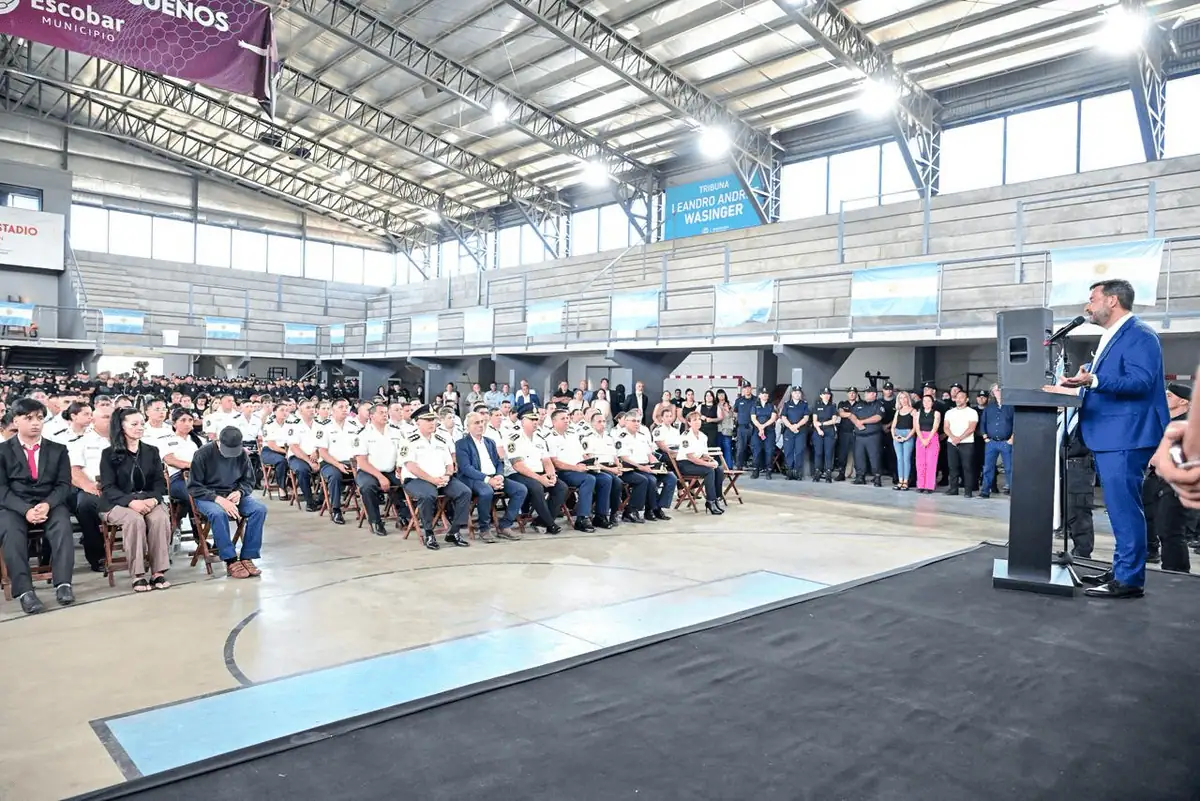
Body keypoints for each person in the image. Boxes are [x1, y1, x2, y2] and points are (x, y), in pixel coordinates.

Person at [1043, 279, 1168, 598]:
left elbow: (1140, 382)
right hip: (1112, 434)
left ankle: (1129, 580)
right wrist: (1077, 386)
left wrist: (1094, 379)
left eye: (1092, 299)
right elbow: (1108, 384)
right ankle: (1123, 568)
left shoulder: (1140, 335)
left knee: (1124, 508)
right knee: (1118, 507)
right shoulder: (1114, 335)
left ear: (1112, 301)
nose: (1088, 306)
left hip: (1126, 434)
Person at [0, 397, 75, 614]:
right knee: (10, 531)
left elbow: (64, 485)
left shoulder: (58, 450)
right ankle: (25, 592)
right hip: (15, 506)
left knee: (63, 525)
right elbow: (1, 489)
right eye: (29, 418)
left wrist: (47, 504)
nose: (35, 423)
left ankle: (63, 584)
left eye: (40, 418)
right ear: (15, 421)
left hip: (49, 502)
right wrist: (25, 510)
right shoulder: (3, 451)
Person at [99, 407, 172, 592]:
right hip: (118, 503)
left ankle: (158, 571)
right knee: (134, 520)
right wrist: (131, 502)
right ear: (122, 426)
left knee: (159, 518)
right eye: (134, 424)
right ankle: (138, 574)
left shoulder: (152, 451)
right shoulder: (108, 454)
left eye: (141, 423)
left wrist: (153, 500)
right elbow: (108, 488)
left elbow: (159, 483)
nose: (140, 427)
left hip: (148, 500)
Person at [188, 427, 267, 579]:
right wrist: (218, 499)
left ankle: (248, 556)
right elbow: (194, 487)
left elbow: (249, 481)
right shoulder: (202, 454)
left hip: (232, 493)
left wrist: (240, 492)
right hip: (207, 496)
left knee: (259, 510)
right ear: (218, 441)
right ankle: (230, 559)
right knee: (218, 513)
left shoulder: (242, 454)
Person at [399, 404, 472, 549]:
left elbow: (449, 463)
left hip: (441, 479)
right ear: (417, 422)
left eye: (433, 420)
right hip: (417, 480)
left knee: (464, 492)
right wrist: (432, 480)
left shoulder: (441, 438)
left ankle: (454, 531)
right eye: (428, 420)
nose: (432, 423)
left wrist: (448, 475)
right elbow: (411, 467)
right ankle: (428, 533)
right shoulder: (408, 440)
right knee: (428, 495)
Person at [454, 412, 526, 542]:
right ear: (468, 426)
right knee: (486, 491)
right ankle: (484, 529)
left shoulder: (490, 442)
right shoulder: (461, 444)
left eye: (482, 422)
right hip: (473, 478)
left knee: (520, 489)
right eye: (476, 423)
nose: (481, 425)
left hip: (494, 476)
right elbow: (466, 468)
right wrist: (488, 480)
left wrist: (499, 475)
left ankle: (505, 525)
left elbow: (498, 462)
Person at [1142, 382, 1192, 572]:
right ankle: (1151, 552)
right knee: (1149, 520)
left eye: (1169, 396)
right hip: (1155, 478)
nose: (1164, 397)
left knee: (1170, 529)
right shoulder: (1164, 421)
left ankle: (1176, 572)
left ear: (1183, 402)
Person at [543, 409, 598, 532]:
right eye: (563, 418)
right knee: (589, 480)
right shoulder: (550, 438)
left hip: (580, 468)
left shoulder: (572, 435)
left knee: (606, 479)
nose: (567, 420)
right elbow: (555, 462)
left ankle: (601, 515)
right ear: (554, 422)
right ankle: (582, 518)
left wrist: (591, 463)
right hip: (564, 472)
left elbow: (582, 454)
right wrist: (576, 468)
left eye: (568, 418)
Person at [355, 402, 402, 537]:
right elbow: (362, 462)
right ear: (371, 416)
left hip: (391, 470)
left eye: (386, 412)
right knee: (367, 487)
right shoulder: (363, 434)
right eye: (381, 413)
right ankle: (375, 521)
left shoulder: (395, 432)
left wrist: (400, 468)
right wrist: (380, 477)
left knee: (406, 483)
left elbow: (402, 453)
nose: (385, 415)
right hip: (369, 471)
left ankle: (404, 516)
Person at [677, 409, 725, 514]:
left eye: (699, 419)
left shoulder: (703, 436)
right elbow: (690, 457)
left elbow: (704, 454)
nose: (698, 422)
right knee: (709, 471)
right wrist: (708, 464)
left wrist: (712, 460)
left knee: (719, 469)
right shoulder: (685, 436)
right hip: (685, 464)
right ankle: (710, 501)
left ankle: (716, 499)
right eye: (694, 420)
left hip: (697, 462)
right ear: (689, 422)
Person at [978, 384, 1014, 499]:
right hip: (991, 442)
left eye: (1000, 389)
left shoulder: (1011, 407)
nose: (998, 391)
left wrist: (1012, 438)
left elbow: (1016, 423)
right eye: (996, 390)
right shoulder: (989, 408)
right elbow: (983, 423)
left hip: (1006, 442)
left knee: (1009, 468)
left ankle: (1013, 491)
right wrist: (985, 438)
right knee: (988, 468)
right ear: (992, 393)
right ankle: (985, 491)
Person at [943, 390, 978, 497]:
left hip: (967, 443)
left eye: (961, 397)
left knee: (967, 467)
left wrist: (960, 438)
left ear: (967, 399)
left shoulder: (972, 412)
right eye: (957, 397)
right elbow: (946, 427)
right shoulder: (949, 412)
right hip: (952, 443)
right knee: (952, 467)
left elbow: (971, 428)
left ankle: (968, 491)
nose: (958, 399)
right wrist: (953, 438)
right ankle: (953, 489)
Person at [850, 387, 885, 486]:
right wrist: (857, 423)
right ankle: (860, 477)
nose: (865, 394)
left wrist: (862, 421)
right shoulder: (859, 404)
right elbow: (852, 415)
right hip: (859, 436)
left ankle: (877, 477)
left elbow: (878, 417)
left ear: (874, 394)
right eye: (865, 392)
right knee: (859, 457)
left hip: (872, 436)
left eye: (868, 392)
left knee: (874, 457)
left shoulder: (878, 404)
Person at [779, 387, 809, 480]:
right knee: (788, 451)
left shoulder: (804, 404)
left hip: (800, 431)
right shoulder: (787, 404)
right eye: (795, 393)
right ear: (792, 394)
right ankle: (789, 471)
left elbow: (806, 418)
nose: (797, 394)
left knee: (799, 451)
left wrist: (797, 426)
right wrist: (791, 426)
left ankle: (797, 472)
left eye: (799, 393)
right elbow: (783, 417)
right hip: (789, 431)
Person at [914, 393, 941, 494]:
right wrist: (922, 439)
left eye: (929, 401)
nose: (926, 403)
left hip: (932, 437)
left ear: (932, 403)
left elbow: (935, 427)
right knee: (920, 462)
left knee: (931, 462)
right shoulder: (918, 413)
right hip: (920, 437)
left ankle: (929, 486)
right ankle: (920, 485)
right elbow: (916, 427)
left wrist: (928, 439)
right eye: (924, 401)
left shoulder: (936, 413)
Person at [810, 388, 837, 482]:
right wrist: (818, 429)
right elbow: (814, 421)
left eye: (828, 394)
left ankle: (828, 472)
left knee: (828, 453)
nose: (826, 396)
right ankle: (817, 471)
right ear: (821, 395)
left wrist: (822, 424)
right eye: (824, 394)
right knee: (818, 452)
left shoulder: (832, 406)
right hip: (818, 432)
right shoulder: (817, 406)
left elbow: (834, 420)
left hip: (829, 431)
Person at [750, 386, 777, 479]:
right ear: (759, 395)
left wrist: (763, 426)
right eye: (763, 393)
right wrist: (760, 427)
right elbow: (753, 418)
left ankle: (768, 471)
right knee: (756, 451)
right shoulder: (754, 405)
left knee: (769, 451)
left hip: (769, 431)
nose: (765, 395)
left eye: (766, 394)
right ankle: (755, 471)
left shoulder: (771, 405)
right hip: (757, 431)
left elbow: (773, 418)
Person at [891, 391, 916, 491]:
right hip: (897, 434)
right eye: (901, 398)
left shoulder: (913, 411)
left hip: (908, 434)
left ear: (908, 398)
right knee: (899, 459)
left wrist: (907, 437)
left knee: (906, 459)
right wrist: (894, 436)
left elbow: (915, 427)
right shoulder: (898, 411)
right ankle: (900, 480)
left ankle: (906, 481)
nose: (903, 400)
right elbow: (893, 426)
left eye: (905, 397)